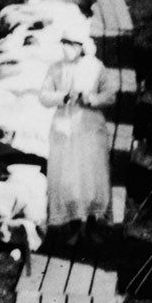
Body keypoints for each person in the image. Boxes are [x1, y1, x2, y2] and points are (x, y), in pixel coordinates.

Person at [42, 33, 115, 234]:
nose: (66, 47)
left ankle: (92, 224)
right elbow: (44, 96)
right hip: (64, 128)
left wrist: (91, 99)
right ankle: (73, 226)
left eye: (70, 43)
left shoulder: (96, 67)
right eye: (64, 43)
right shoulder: (56, 68)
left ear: (81, 46)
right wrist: (63, 97)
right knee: (69, 179)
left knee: (92, 177)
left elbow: (110, 95)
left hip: (90, 128)